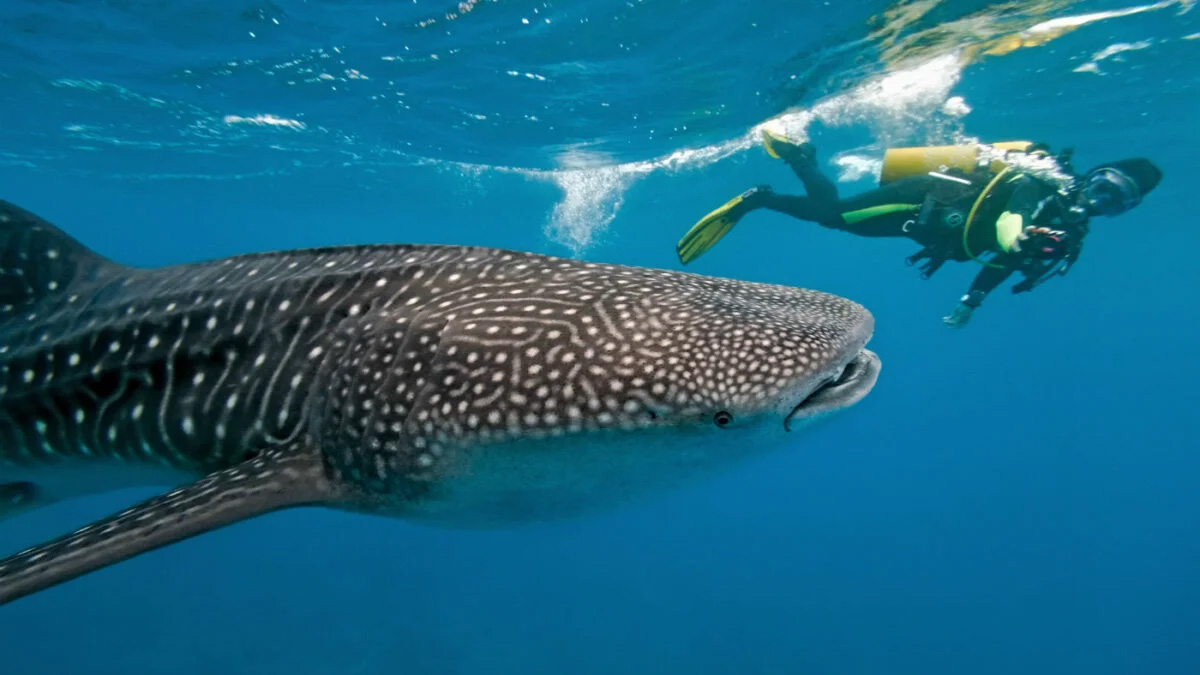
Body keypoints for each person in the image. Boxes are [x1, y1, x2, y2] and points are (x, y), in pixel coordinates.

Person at [675, 131, 1162, 327]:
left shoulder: (1067, 237)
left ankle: (797, 163)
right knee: (835, 215)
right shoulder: (1041, 184)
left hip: (931, 231)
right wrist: (1016, 234)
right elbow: (1011, 220)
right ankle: (770, 187)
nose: (1101, 201)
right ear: (1094, 175)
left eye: (1117, 201)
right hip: (925, 197)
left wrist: (972, 300)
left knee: (840, 221)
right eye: (1105, 186)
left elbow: (1003, 262)